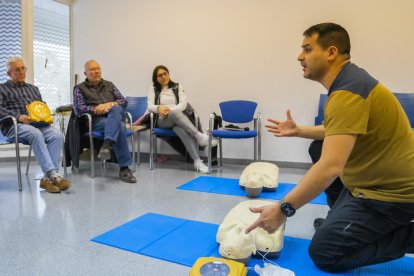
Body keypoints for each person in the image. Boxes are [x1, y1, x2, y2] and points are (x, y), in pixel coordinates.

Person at [246, 23, 414, 272]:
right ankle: (345, 224)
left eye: (307, 48)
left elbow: (330, 167)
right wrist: (299, 130)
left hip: (391, 195)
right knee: (317, 147)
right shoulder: (351, 82)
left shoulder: (348, 92)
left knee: (325, 253)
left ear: (331, 52)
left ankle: (407, 237)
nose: (299, 56)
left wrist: (284, 208)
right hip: (365, 184)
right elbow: (341, 130)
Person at [0, 57, 70, 193]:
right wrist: (18, 116)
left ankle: (47, 180)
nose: (21, 72)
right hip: (14, 126)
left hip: (37, 125)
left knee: (57, 135)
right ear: (9, 74)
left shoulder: (33, 89)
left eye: (23, 68)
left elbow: (42, 106)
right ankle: (53, 174)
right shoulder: (2, 89)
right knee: (34, 133)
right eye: (17, 70)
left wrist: (46, 116)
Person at [73, 60, 136, 183]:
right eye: (92, 69)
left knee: (117, 109)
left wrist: (109, 104)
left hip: (113, 117)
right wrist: (95, 109)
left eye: (98, 69)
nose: (96, 71)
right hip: (95, 121)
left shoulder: (110, 85)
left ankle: (107, 144)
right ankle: (124, 168)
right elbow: (78, 108)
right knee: (121, 126)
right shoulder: (79, 88)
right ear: (85, 73)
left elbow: (124, 102)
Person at [148, 65, 217, 173]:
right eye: (159, 75)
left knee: (180, 129)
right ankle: (199, 136)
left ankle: (197, 162)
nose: (163, 76)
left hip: (176, 119)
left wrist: (170, 110)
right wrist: (159, 108)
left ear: (168, 74)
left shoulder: (177, 86)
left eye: (165, 73)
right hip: (162, 120)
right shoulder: (153, 89)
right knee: (175, 114)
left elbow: (183, 105)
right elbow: (150, 106)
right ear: (156, 78)